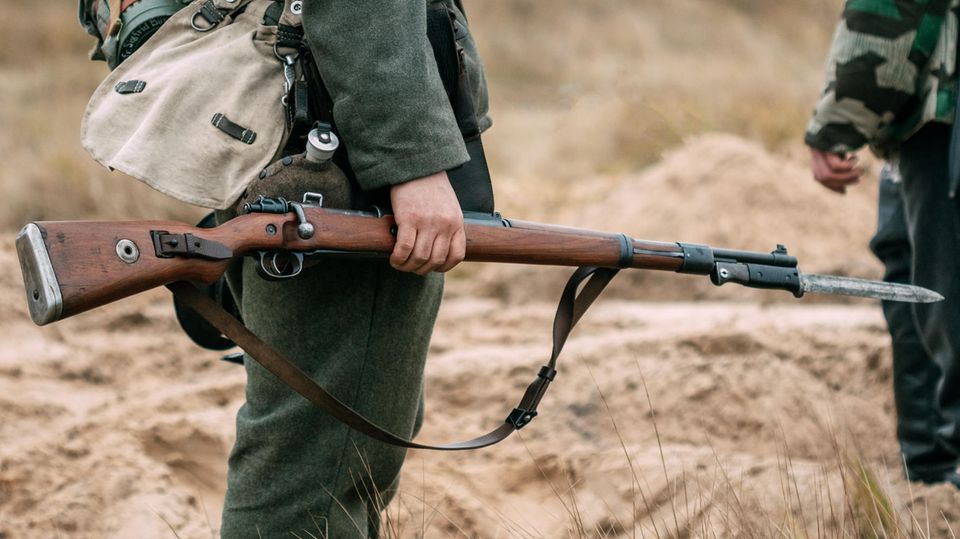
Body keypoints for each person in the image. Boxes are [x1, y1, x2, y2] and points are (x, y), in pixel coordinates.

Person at [215, 1, 491, 537]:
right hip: (350, 165)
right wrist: (411, 164)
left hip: (283, 135)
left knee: (345, 447)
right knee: (314, 470)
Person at [805, 0, 960, 487]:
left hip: (944, 116)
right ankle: (934, 484)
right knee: (909, 271)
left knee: (942, 291)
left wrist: (840, 121)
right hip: (924, 115)